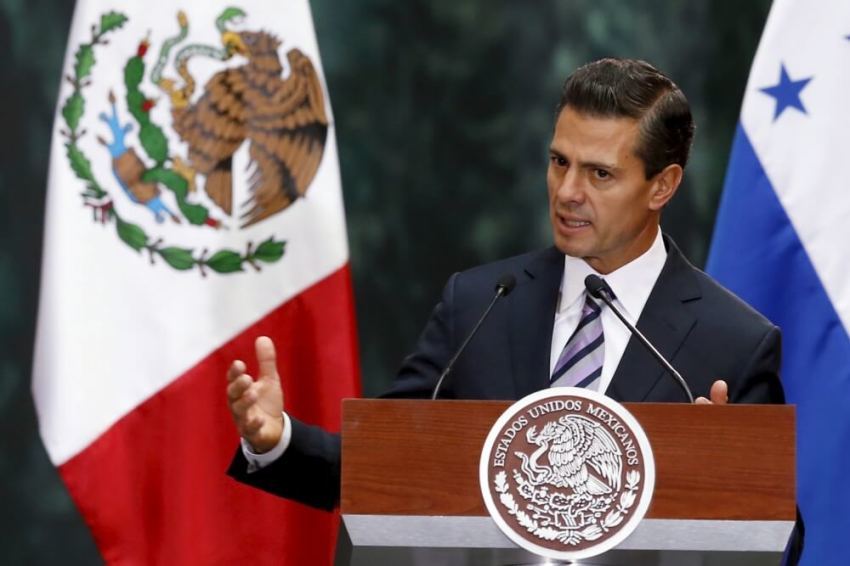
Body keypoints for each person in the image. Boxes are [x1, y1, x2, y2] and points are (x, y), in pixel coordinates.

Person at [224, 58, 785, 512]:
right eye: (559, 162)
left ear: (662, 186)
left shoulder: (732, 342)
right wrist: (276, 440)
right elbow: (386, 469)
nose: (567, 192)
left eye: (599, 174)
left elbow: (786, 541)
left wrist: (725, 481)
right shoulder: (479, 304)